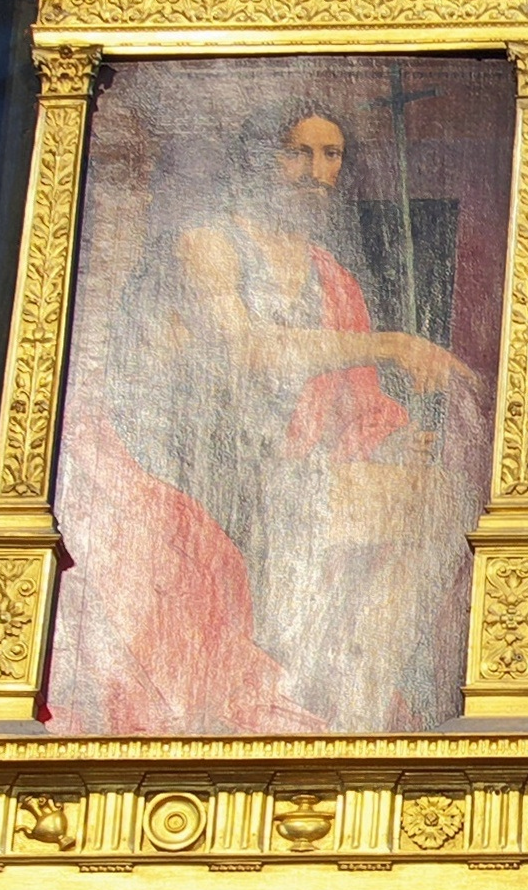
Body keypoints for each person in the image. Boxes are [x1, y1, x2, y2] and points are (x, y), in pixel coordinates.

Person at [56, 103, 480, 729]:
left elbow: (353, 402)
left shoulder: (330, 277)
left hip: (290, 472)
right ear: (259, 160)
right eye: (298, 153)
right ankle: (302, 686)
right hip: (193, 464)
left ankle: (352, 685)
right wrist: (391, 343)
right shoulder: (208, 246)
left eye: (330, 156)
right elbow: (245, 355)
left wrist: (387, 442)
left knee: (431, 500)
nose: (315, 172)